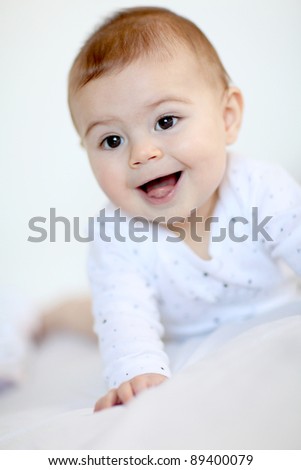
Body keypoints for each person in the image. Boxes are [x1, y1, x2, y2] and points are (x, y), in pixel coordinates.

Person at [67, 6, 301, 412]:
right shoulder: (116, 232)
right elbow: (123, 312)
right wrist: (136, 371)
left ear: (227, 118)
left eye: (166, 120)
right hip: (175, 327)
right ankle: (48, 316)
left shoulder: (261, 188)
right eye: (111, 141)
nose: (142, 153)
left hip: (271, 303)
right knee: (87, 315)